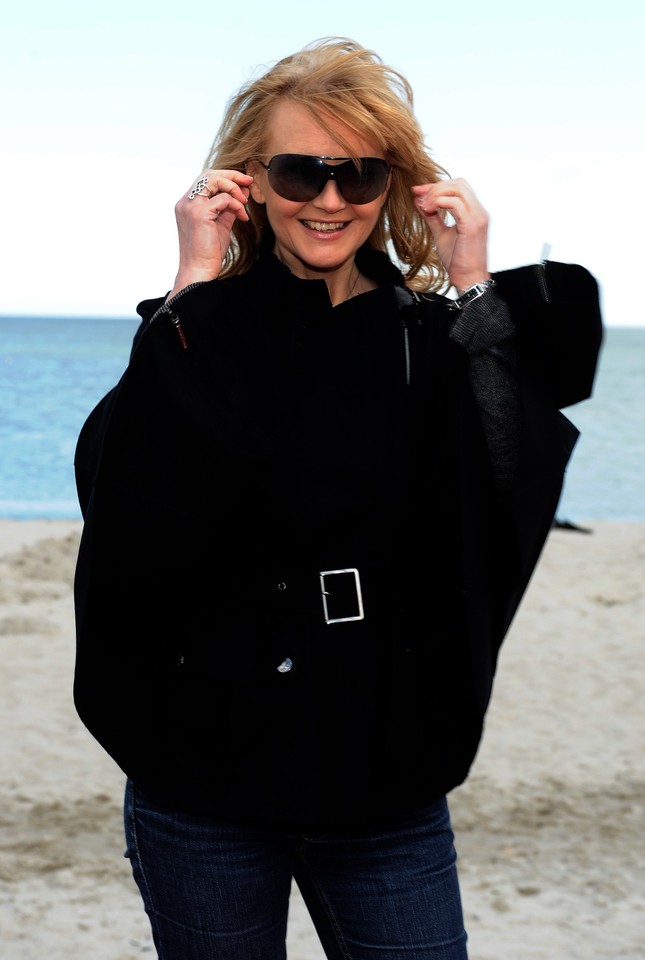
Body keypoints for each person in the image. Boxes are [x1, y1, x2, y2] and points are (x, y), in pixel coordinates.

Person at [73, 36, 603, 960]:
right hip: (204, 771)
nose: (328, 200)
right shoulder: (198, 328)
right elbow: (128, 503)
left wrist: (471, 279)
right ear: (248, 178)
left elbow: (508, 479)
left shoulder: (428, 336)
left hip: (383, 770)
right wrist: (191, 282)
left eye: (357, 174)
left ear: (390, 184)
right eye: (299, 171)